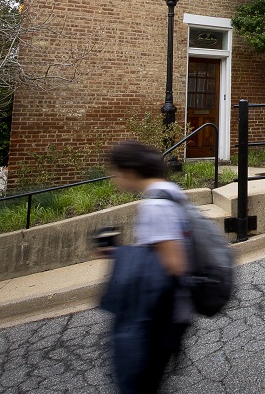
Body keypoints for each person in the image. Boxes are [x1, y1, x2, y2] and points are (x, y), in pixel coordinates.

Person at [100, 140, 192, 394]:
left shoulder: (155, 206)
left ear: (130, 171)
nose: (115, 179)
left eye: (117, 172)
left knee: (140, 383)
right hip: (168, 311)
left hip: (158, 313)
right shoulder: (170, 191)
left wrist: (122, 256)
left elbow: (174, 264)